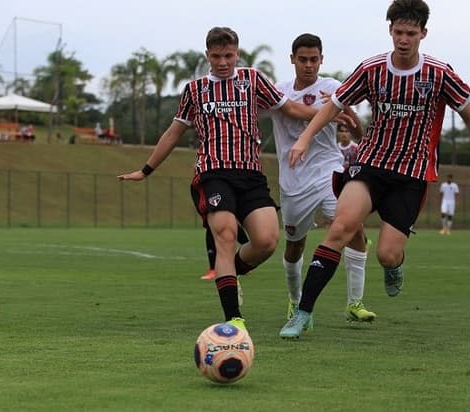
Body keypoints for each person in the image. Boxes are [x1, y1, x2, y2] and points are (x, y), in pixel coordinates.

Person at [280, 0, 470, 339]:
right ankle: (303, 313)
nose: (403, 39)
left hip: (411, 176)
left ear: (423, 34)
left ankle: (394, 265)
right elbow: (334, 105)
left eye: (411, 33)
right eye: (398, 32)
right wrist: (305, 138)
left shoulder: (439, 73)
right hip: (370, 165)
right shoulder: (371, 69)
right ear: (390, 31)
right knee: (340, 228)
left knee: (386, 254)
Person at [118, 27, 332, 330]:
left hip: (251, 175)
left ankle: (230, 273)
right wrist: (146, 169)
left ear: (237, 54)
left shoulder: (252, 80)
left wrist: (329, 112)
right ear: (207, 55)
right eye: (216, 56)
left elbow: (291, 109)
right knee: (226, 235)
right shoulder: (195, 89)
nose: (222, 62)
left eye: (228, 55)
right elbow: (173, 132)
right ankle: (234, 320)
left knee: (267, 241)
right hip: (213, 173)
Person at [270, 33, 376, 329]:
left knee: (354, 229)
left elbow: (358, 135)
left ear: (321, 59)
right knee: (294, 245)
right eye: (302, 59)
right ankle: (295, 299)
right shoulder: (279, 92)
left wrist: (346, 115)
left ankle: (355, 303)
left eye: (313, 60)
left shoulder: (332, 88)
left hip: (328, 173)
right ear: (292, 59)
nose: (308, 65)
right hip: (293, 181)